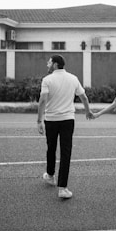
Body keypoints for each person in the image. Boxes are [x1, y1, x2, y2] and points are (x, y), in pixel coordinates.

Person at [37, 54, 93, 199]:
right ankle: (63, 188)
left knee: (51, 147)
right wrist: (87, 111)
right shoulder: (73, 78)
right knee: (66, 152)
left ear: (55, 64)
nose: (47, 65)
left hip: (51, 119)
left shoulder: (47, 80)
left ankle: (50, 175)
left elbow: (43, 100)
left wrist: (39, 120)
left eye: (49, 62)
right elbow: (84, 97)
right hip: (68, 119)